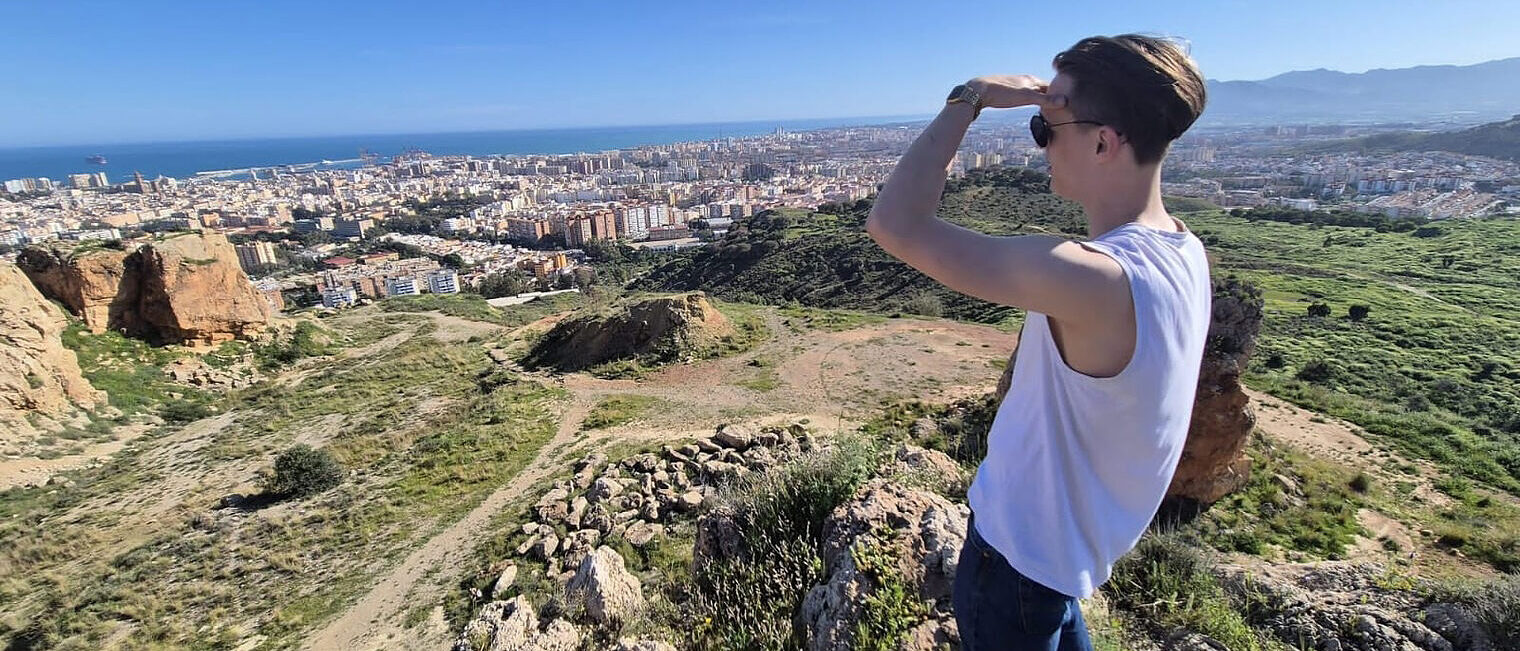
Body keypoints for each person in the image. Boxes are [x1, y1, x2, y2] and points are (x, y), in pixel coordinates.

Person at [865, 34, 1213, 650]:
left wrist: (969, 97)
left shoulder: (1092, 278)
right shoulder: (1185, 250)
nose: (1040, 144)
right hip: (1066, 565)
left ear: (1104, 141)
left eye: (1045, 127)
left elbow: (892, 223)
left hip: (1016, 566)